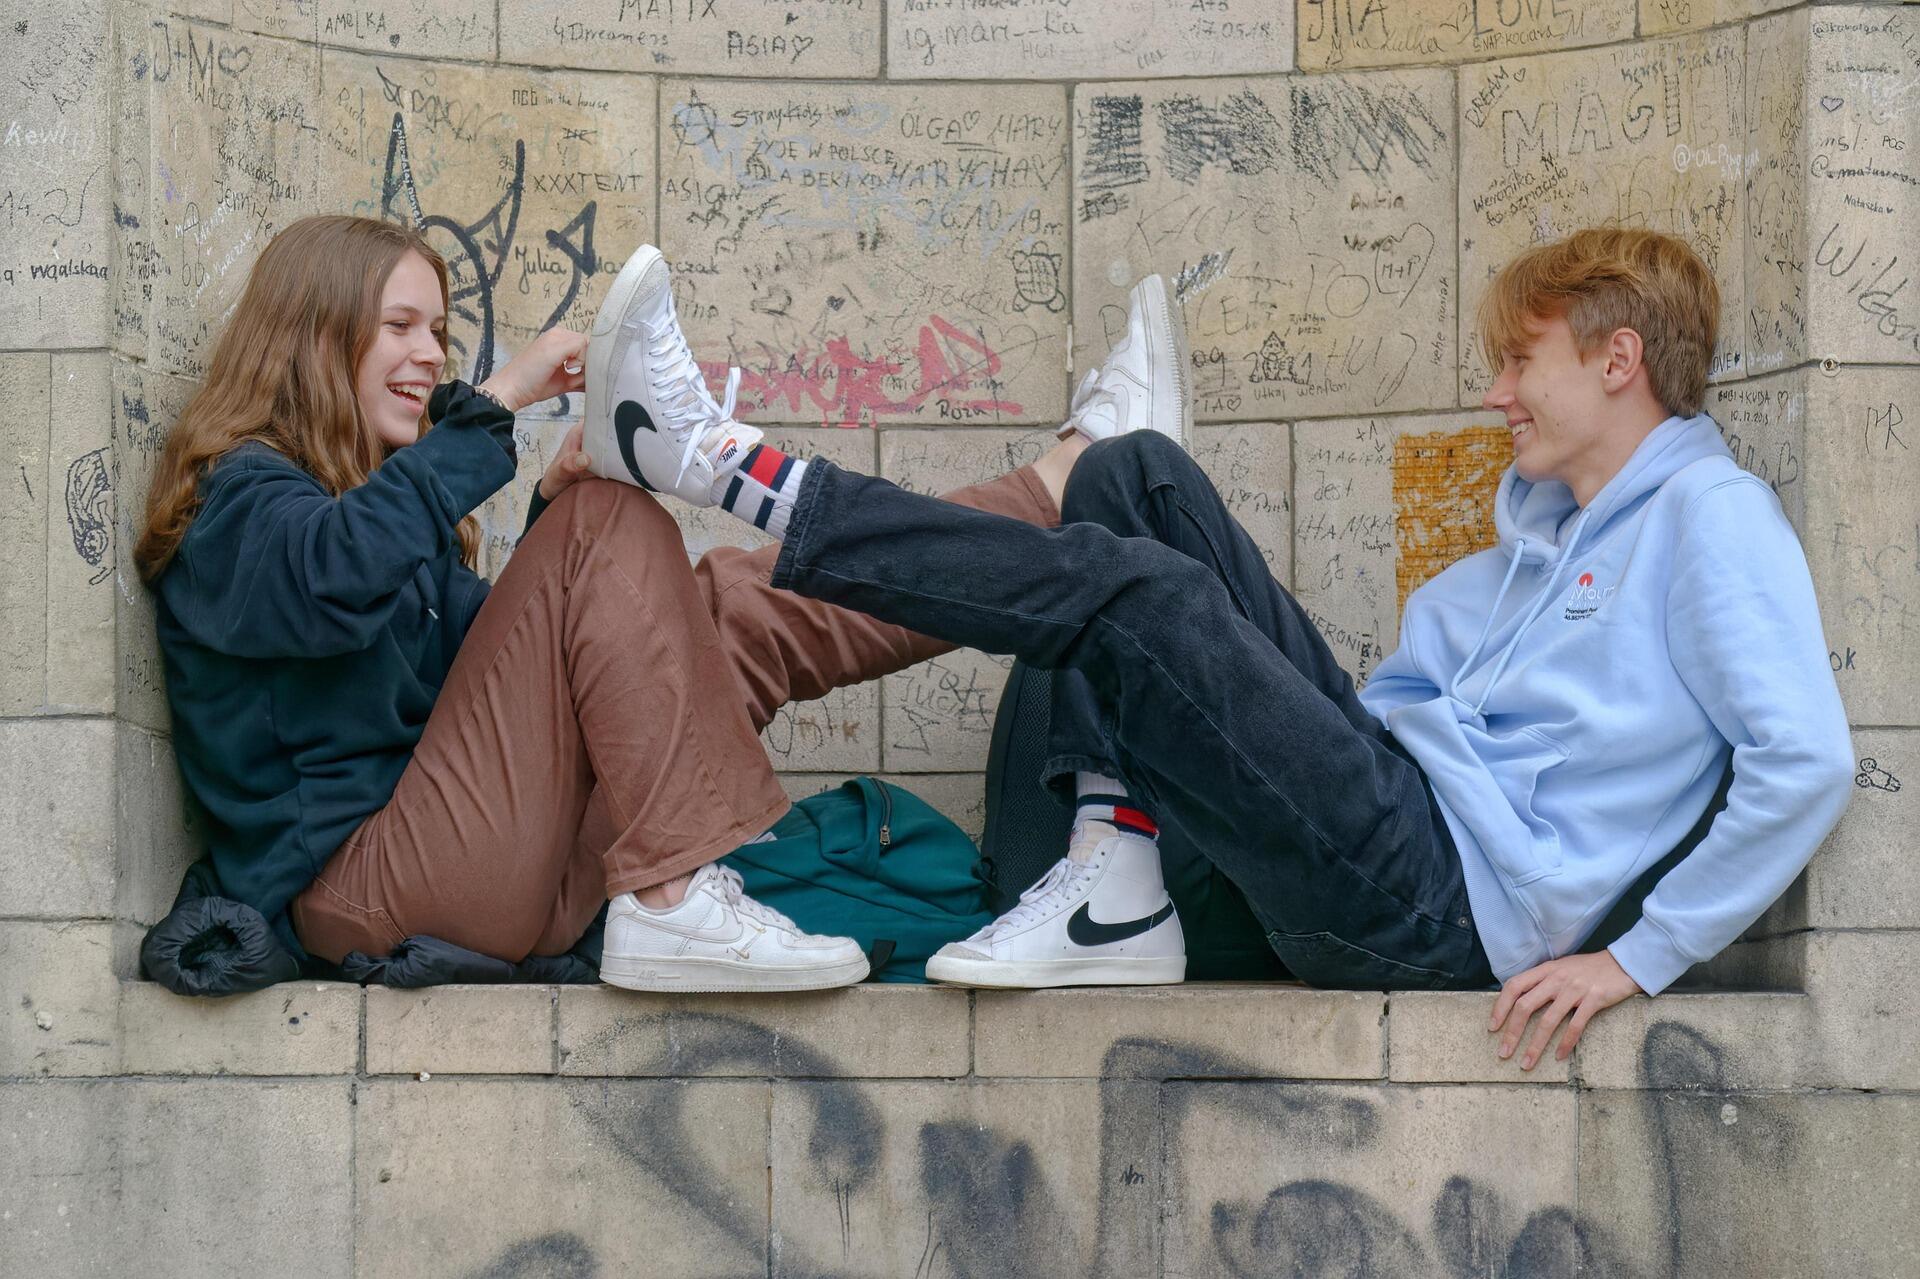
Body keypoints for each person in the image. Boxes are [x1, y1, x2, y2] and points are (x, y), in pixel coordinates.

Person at [594, 228, 1855, 1067]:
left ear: (1617, 358)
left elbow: (1802, 764)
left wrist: (1637, 960)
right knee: (1137, 477)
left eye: (1519, 361)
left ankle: (734, 469)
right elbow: (1388, 717)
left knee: (1147, 602)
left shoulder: (1706, 516)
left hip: (1444, 905)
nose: (1497, 393)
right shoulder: (1522, 551)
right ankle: (1111, 851)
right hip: (1384, 809)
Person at [132, 214, 1185, 993]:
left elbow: (491, 680)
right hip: (365, 886)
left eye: (439, 334)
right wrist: (494, 410)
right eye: (399, 326)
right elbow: (327, 582)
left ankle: (1061, 487)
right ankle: (676, 897)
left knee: (724, 598)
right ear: (315, 336)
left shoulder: (376, 509)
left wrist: (551, 511)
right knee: (610, 529)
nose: (429, 357)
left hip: (489, 863)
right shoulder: (242, 496)